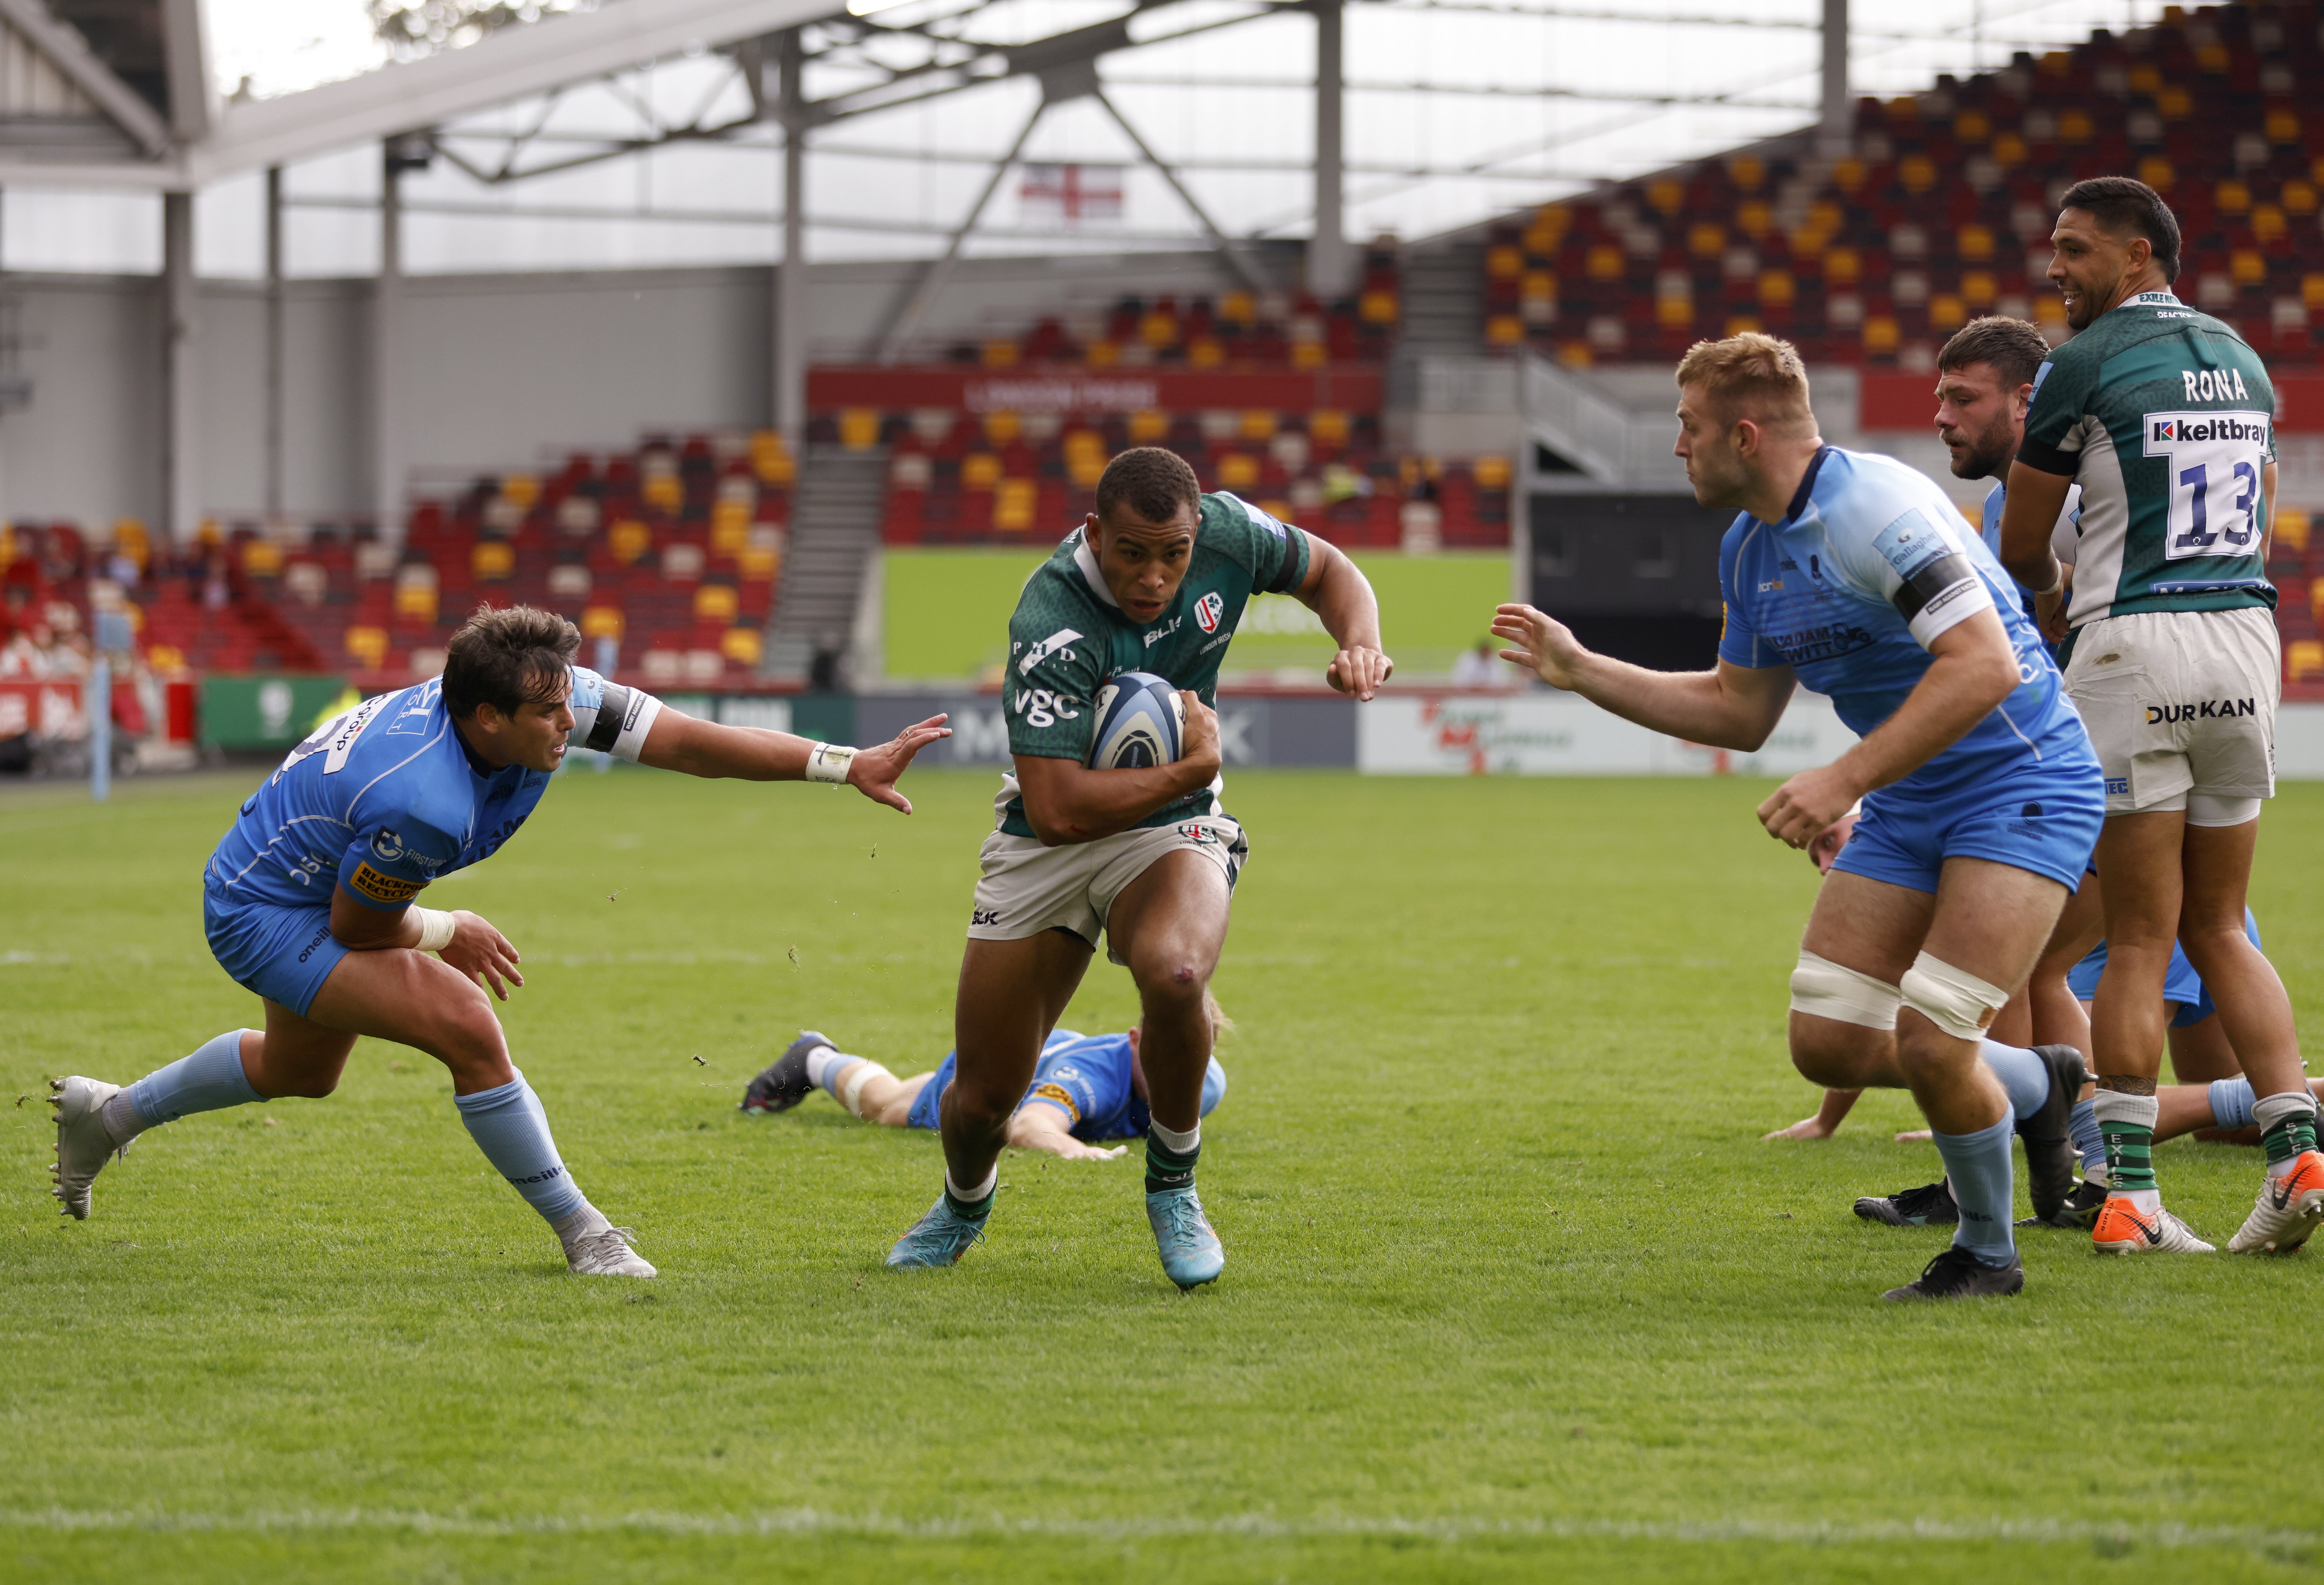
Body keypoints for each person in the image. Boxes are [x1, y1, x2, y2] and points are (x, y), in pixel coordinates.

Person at [47, 604, 949, 1278]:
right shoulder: (425, 800)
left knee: (302, 1072)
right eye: (549, 715)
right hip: (265, 910)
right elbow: (357, 928)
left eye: (569, 704)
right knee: (465, 1023)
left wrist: (842, 764)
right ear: (487, 719)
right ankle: (585, 1235)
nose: (571, 724)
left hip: (297, 880)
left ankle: (110, 1115)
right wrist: (449, 927)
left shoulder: (544, 700)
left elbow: (688, 744)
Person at [1494, 332, 2103, 1301]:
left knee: (1934, 1043)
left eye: (1687, 429)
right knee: (1825, 1039)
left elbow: (1984, 666)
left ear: (1744, 434)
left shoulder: (1874, 507)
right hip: (1911, 800)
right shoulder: (1750, 547)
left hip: (2019, 783)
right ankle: (2038, 1086)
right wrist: (1580, 670)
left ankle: (1986, 1254)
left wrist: (1841, 779)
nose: (1676, 449)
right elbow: (1737, 711)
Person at [883, 446, 1391, 1289]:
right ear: (1094, 532)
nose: (1155, 576)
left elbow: (1331, 570)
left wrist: (1361, 643)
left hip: (1172, 827)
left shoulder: (1228, 532)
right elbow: (1056, 809)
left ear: (1196, 533)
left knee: (1179, 968)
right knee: (977, 1105)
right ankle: (963, 1203)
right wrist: (1192, 770)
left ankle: (1174, 1185)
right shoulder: (1051, 615)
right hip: (1046, 842)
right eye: (1133, 553)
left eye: (1174, 554)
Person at [1995, 175, 2323, 1257]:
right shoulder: (2243, 359)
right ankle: (2298, 1157)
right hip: (2244, 637)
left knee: (2137, 934)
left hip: (2133, 646)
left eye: (2075, 249)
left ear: (2138, 256)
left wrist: (2052, 596)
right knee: (2221, 924)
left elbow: (2019, 547)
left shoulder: (2075, 368)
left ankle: (2130, 1197)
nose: (2055, 268)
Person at [740, 1019, 1227, 1161]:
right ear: (1135, 1039)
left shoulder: (1206, 1083)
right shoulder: (1093, 1079)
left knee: (897, 1096)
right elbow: (1031, 1125)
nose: (1176, 1068)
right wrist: (1078, 1153)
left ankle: (817, 1057)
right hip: (1000, 1070)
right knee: (885, 1108)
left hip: (1038, 1050)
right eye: (1161, 1052)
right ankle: (815, 1058)